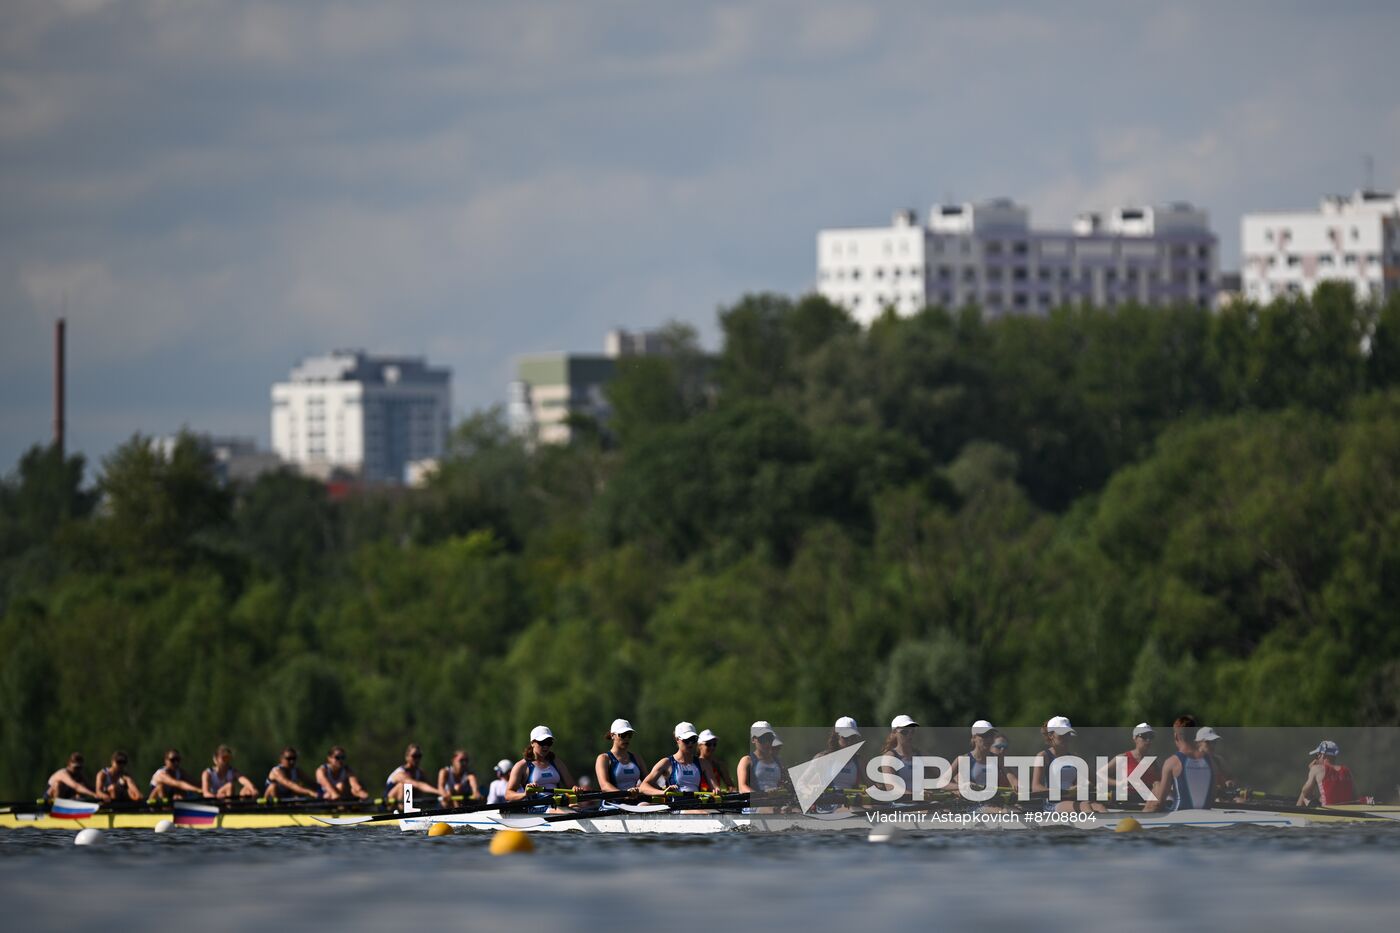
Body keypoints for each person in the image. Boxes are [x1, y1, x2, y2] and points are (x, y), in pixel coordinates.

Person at [1031, 716, 1103, 813]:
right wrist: (1065, 792)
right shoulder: (1043, 756)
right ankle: (1096, 826)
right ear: (1051, 735)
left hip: (1074, 802)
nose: (1066, 737)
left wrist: (1087, 785)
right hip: (1052, 805)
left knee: (1100, 807)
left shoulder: (1076, 758)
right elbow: (1036, 788)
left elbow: (1097, 781)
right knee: (1085, 805)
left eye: (1068, 734)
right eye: (1062, 734)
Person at [1144, 725, 1216, 812]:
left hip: (1178, 816)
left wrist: (1147, 810)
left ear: (1176, 736)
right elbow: (1212, 796)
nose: (1212, 745)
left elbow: (1159, 803)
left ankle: (1140, 818)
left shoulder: (1172, 762)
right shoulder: (1211, 761)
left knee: (1157, 786)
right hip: (1206, 815)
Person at [640, 722, 724, 795]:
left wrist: (717, 791)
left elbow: (715, 788)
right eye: (687, 740)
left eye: (693, 739)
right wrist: (663, 793)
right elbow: (643, 787)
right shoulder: (666, 763)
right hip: (676, 808)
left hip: (696, 805)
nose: (690, 743)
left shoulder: (704, 763)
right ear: (677, 739)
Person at [505, 725, 577, 808]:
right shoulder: (521, 766)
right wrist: (525, 794)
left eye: (549, 742)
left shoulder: (556, 762)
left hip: (557, 804)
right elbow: (508, 795)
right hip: (536, 808)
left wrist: (575, 789)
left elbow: (571, 787)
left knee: (576, 807)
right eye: (542, 743)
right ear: (532, 743)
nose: (546, 746)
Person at [1097, 723, 1161, 804]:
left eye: (1151, 737)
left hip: (1146, 801)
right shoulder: (1123, 757)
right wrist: (1119, 783)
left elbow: (1160, 782)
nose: (1148, 740)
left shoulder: (1153, 761)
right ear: (1135, 739)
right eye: (1144, 736)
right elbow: (1099, 774)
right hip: (1127, 801)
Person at [1297, 740, 1358, 807]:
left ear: (1322, 755)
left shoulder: (1316, 769)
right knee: (1322, 797)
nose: (1316, 759)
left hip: (1327, 812)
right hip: (1347, 812)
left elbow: (1305, 793)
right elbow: (1354, 796)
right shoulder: (1347, 770)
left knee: (1305, 796)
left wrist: (1311, 772)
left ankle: (1295, 814)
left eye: (1317, 755)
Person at [945, 720, 999, 794]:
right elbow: (942, 783)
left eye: (991, 735)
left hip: (992, 802)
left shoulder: (999, 759)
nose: (989, 739)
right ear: (974, 738)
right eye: (984, 735)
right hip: (970, 803)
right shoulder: (962, 760)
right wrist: (961, 786)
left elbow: (1014, 780)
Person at [876, 714, 922, 797]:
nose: (909, 735)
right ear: (894, 733)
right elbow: (891, 787)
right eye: (904, 732)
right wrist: (917, 795)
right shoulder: (889, 757)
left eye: (912, 731)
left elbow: (943, 780)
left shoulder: (920, 754)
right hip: (900, 805)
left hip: (921, 802)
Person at [737, 721, 787, 795]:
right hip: (755, 803)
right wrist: (763, 796)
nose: (767, 742)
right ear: (753, 739)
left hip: (776, 802)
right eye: (763, 739)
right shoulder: (746, 760)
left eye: (769, 738)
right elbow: (742, 788)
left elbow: (785, 785)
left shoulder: (778, 762)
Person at [814, 717, 864, 792]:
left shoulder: (858, 761)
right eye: (846, 737)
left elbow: (871, 787)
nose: (850, 741)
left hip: (850, 803)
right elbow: (801, 783)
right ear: (836, 736)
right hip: (827, 802)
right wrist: (811, 791)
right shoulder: (822, 758)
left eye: (852, 737)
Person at [595, 719, 644, 793]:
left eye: (629, 735)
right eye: (623, 735)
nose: (627, 738)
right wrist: (625, 795)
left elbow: (648, 783)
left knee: (644, 804)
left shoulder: (637, 758)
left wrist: (662, 789)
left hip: (634, 801)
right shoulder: (603, 758)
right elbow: (604, 786)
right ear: (612, 736)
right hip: (612, 802)